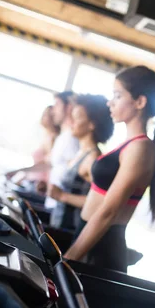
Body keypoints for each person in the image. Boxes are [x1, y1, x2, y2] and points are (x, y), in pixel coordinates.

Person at [62, 65, 155, 272]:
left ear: (139, 102)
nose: (109, 102)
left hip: (101, 246)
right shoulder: (130, 145)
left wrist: (69, 259)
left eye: (118, 96)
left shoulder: (141, 148)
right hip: (90, 237)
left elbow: (109, 211)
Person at [47, 94, 114, 232]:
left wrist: (62, 196)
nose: (71, 123)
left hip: (69, 231)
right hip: (58, 223)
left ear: (91, 124)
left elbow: (101, 203)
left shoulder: (93, 158)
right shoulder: (80, 152)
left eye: (76, 118)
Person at [6, 105, 60, 193]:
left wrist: (18, 172)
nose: (44, 117)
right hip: (32, 181)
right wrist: (23, 176)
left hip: (40, 185)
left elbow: (46, 165)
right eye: (44, 114)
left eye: (48, 115)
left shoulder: (53, 138)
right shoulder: (45, 136)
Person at [44, 91, 80, 210]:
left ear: (68, 107)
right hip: (53, 202)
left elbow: (74, 175)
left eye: (57, 105)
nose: (53, 110)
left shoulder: (71, 138)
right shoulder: (63, 136)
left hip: (60, 206)